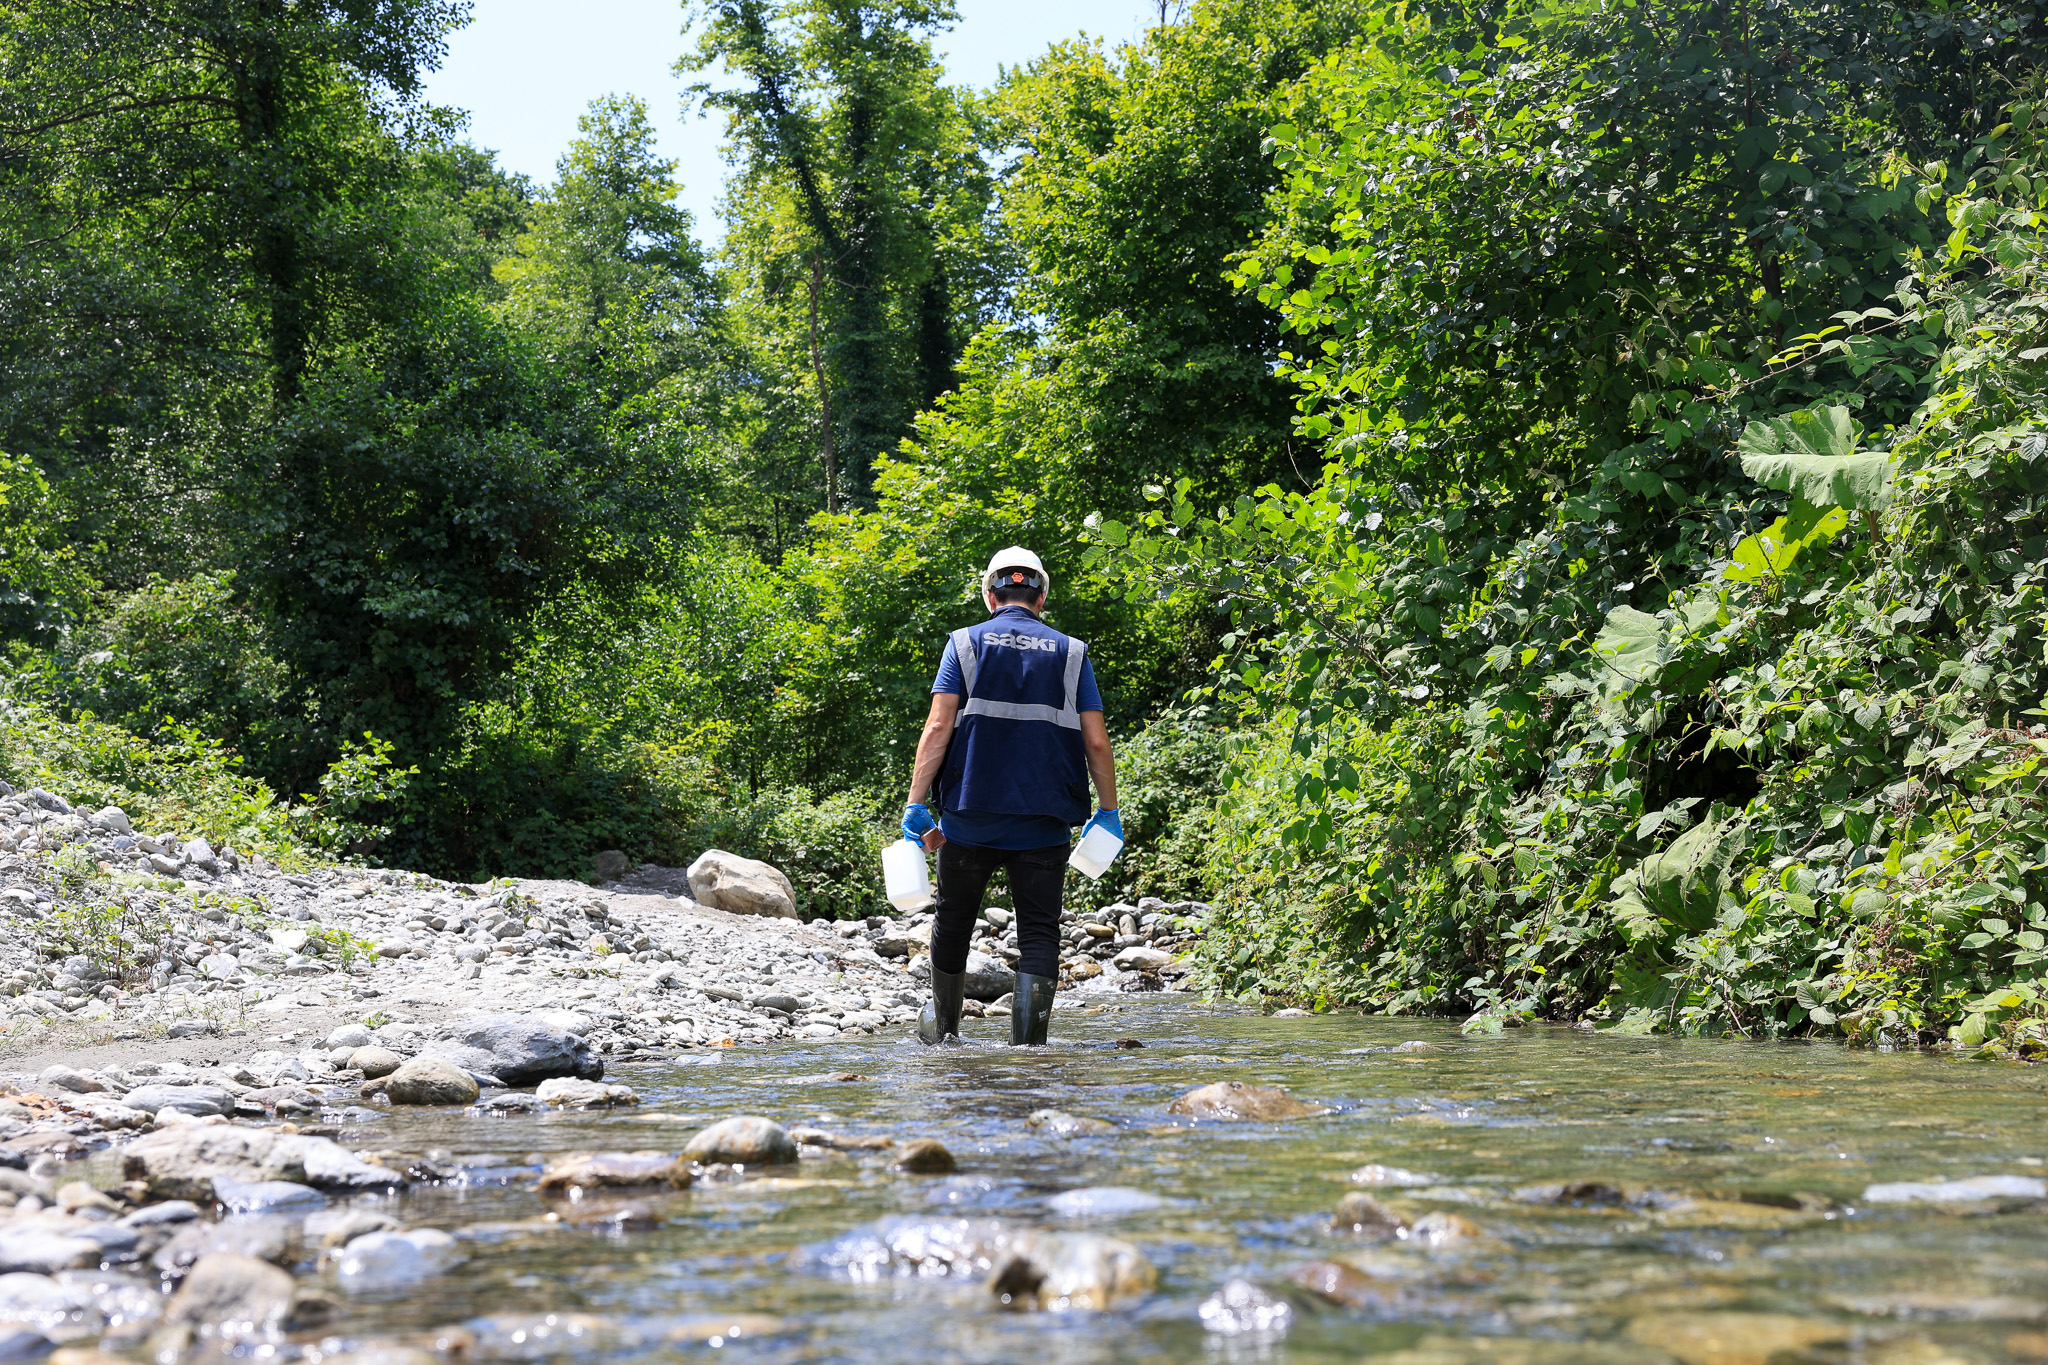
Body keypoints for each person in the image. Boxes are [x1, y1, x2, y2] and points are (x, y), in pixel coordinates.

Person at [901, 547, 1121, 1046]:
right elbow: (1096, 741)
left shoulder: (964, 644)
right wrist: (1108, 811)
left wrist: (916, 802)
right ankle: (1029, 1051)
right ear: (1041, 597)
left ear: (988, 594)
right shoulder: (1072, 652)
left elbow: (938, 726)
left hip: (968, 818)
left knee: (953, 922)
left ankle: (945, 1036)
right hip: (1044, 822)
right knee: (1040, 932)